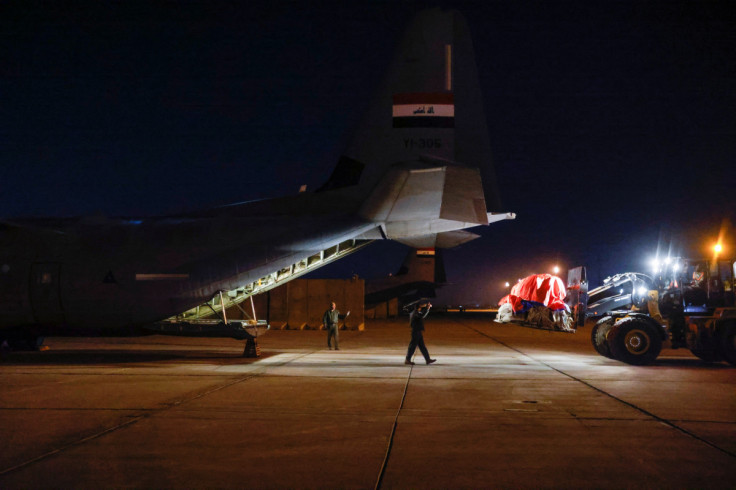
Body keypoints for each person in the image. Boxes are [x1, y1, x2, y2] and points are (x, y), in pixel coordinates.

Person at [405, 300, 436, 365]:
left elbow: (421, 314)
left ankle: (428, 359)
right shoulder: (415, 312)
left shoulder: (415, 312)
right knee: (413, 346)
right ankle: (407, 359)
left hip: (417, 331)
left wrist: (426, 307)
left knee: (422, 347)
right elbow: (422, 315)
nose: (422, 307)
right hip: (416, 331)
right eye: (421, 306)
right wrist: (427, 309)